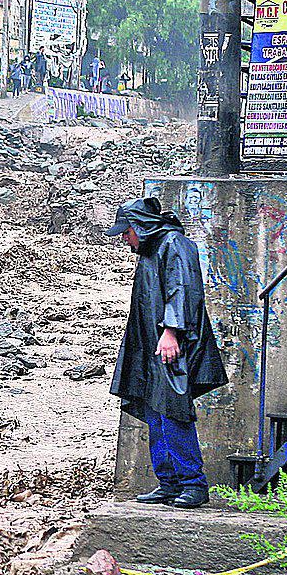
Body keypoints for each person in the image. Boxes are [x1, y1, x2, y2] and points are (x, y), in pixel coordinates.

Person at [106, 197, 228, 509]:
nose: (125, 238)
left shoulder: (174, 244)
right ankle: (169, 483)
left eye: (127, 231)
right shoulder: (152, 249)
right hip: (153, 346)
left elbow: (183, 289)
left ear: (141, 227)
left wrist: (171, 331)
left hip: (173, 345)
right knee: (155, 412)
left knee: (173, 411)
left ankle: (193, 484)